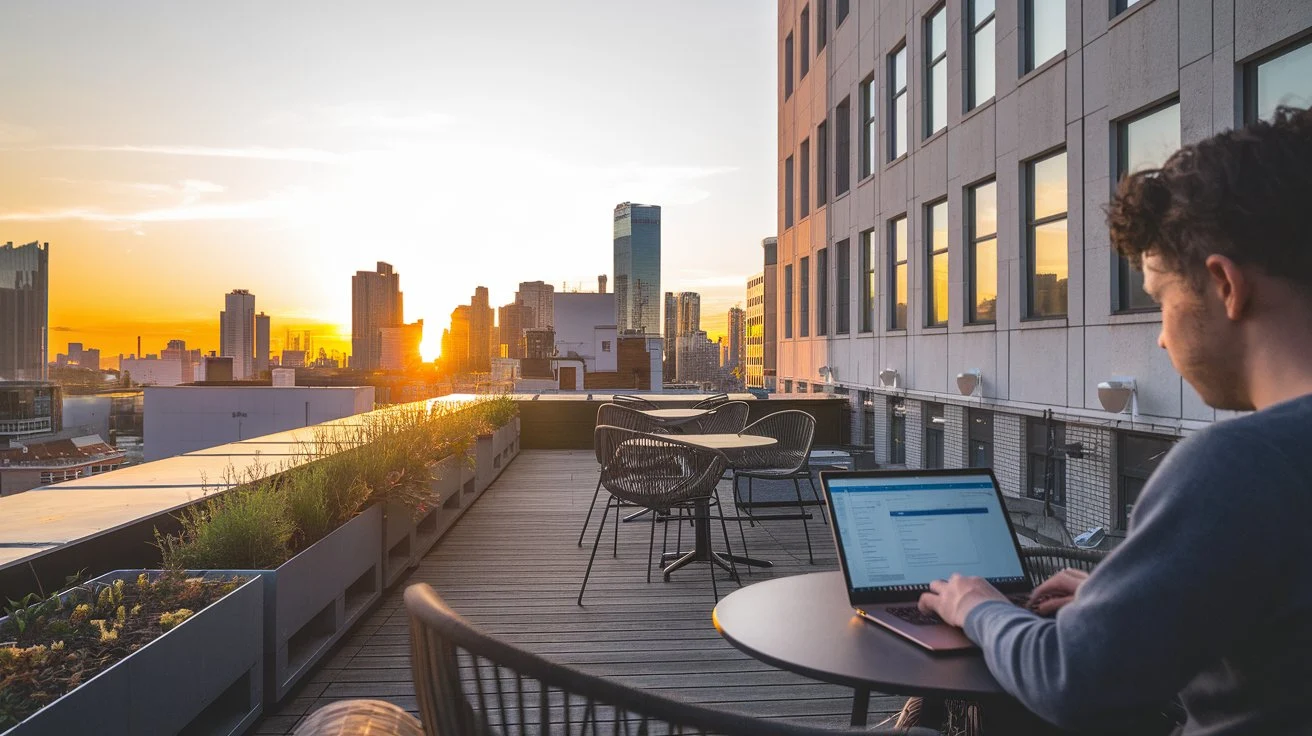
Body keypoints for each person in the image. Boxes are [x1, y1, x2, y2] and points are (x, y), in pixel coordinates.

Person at [917, 106, 1312, 734]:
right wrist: (1127, 601)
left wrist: (978, 607)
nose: (1160, 338)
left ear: (1225, 286)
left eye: (1158, 300)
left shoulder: (1240, 464)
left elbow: (1068, 679)